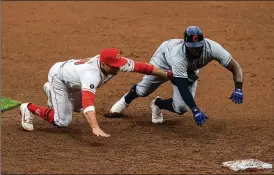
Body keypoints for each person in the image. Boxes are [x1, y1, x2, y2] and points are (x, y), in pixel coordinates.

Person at [20, 48, 173, 137]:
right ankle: (28, 108)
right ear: (104, 64)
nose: (117, 68)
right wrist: (95, 127)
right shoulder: (90, 74)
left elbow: (143, 67)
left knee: (76, 107)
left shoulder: (116, 63)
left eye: (118, 64)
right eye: (114, 66)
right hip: (59, 78)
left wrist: (167, 74)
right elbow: (88, 102)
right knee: (63, 121)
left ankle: (52, 93)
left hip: (73, 80)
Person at [110, 26, 244, 126]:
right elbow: (181, 85)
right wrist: (195, 109)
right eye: (192, 47)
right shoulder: (178, 55)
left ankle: (157, 104)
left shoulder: (213, 48)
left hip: (188, 69)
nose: (196, 50)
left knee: (181, 108)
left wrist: (238, 87)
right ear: (186, 44)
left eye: (198, 46)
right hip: (163, 60)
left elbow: (235, 66)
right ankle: (125, 100)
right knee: (143, 90)